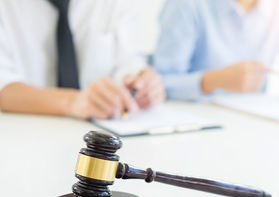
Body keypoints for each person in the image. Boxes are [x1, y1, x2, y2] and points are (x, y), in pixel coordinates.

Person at [0, 0, 165, 119]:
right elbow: (4, 88)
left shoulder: (115, 4)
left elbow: (130, 63)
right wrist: (74, 102)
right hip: (24, 132)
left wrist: (142, 84)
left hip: (102, 131)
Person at [154, 0, 279, 101]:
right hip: (196, 125)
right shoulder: (186, 4)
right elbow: (158, 85)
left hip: (255, 126)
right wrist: (211, 80)